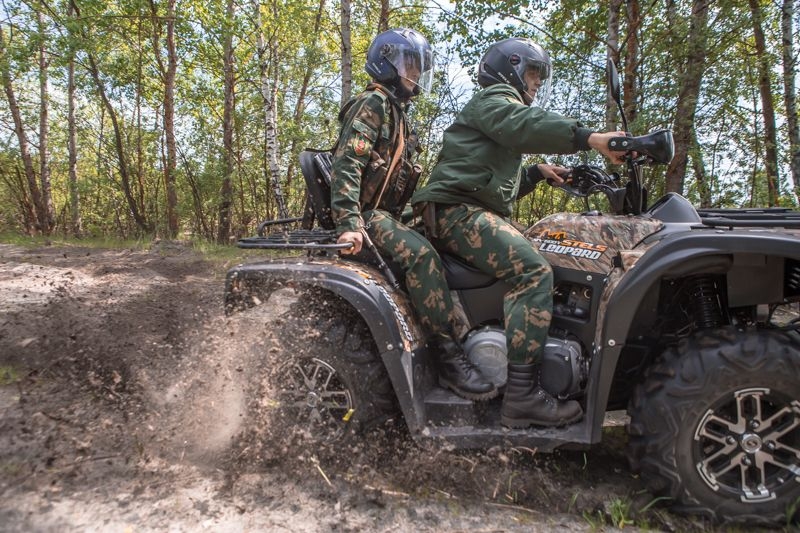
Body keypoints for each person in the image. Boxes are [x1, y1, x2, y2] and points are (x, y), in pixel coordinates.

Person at [411, 37, 629, 427]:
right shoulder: (493, 99)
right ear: (509, 68)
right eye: (531, 73)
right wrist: (589, 138)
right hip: (454, 212)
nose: (534, 83)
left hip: (470, 208)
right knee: (533, 270)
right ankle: (523, 396)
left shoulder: (497, 112)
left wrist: (535, 173)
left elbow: (490, 182)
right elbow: (521, 126)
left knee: (550, 251)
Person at [330, 28, 497, 401]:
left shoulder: (398, 113)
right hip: (368, 215)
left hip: (390, 214)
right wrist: (348, 223)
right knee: (422, 257)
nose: (415, 74)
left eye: (419, 67)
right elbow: (348, 164)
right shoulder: (372, 104)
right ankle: (448, 357)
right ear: (385, 61)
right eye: (409, 64)